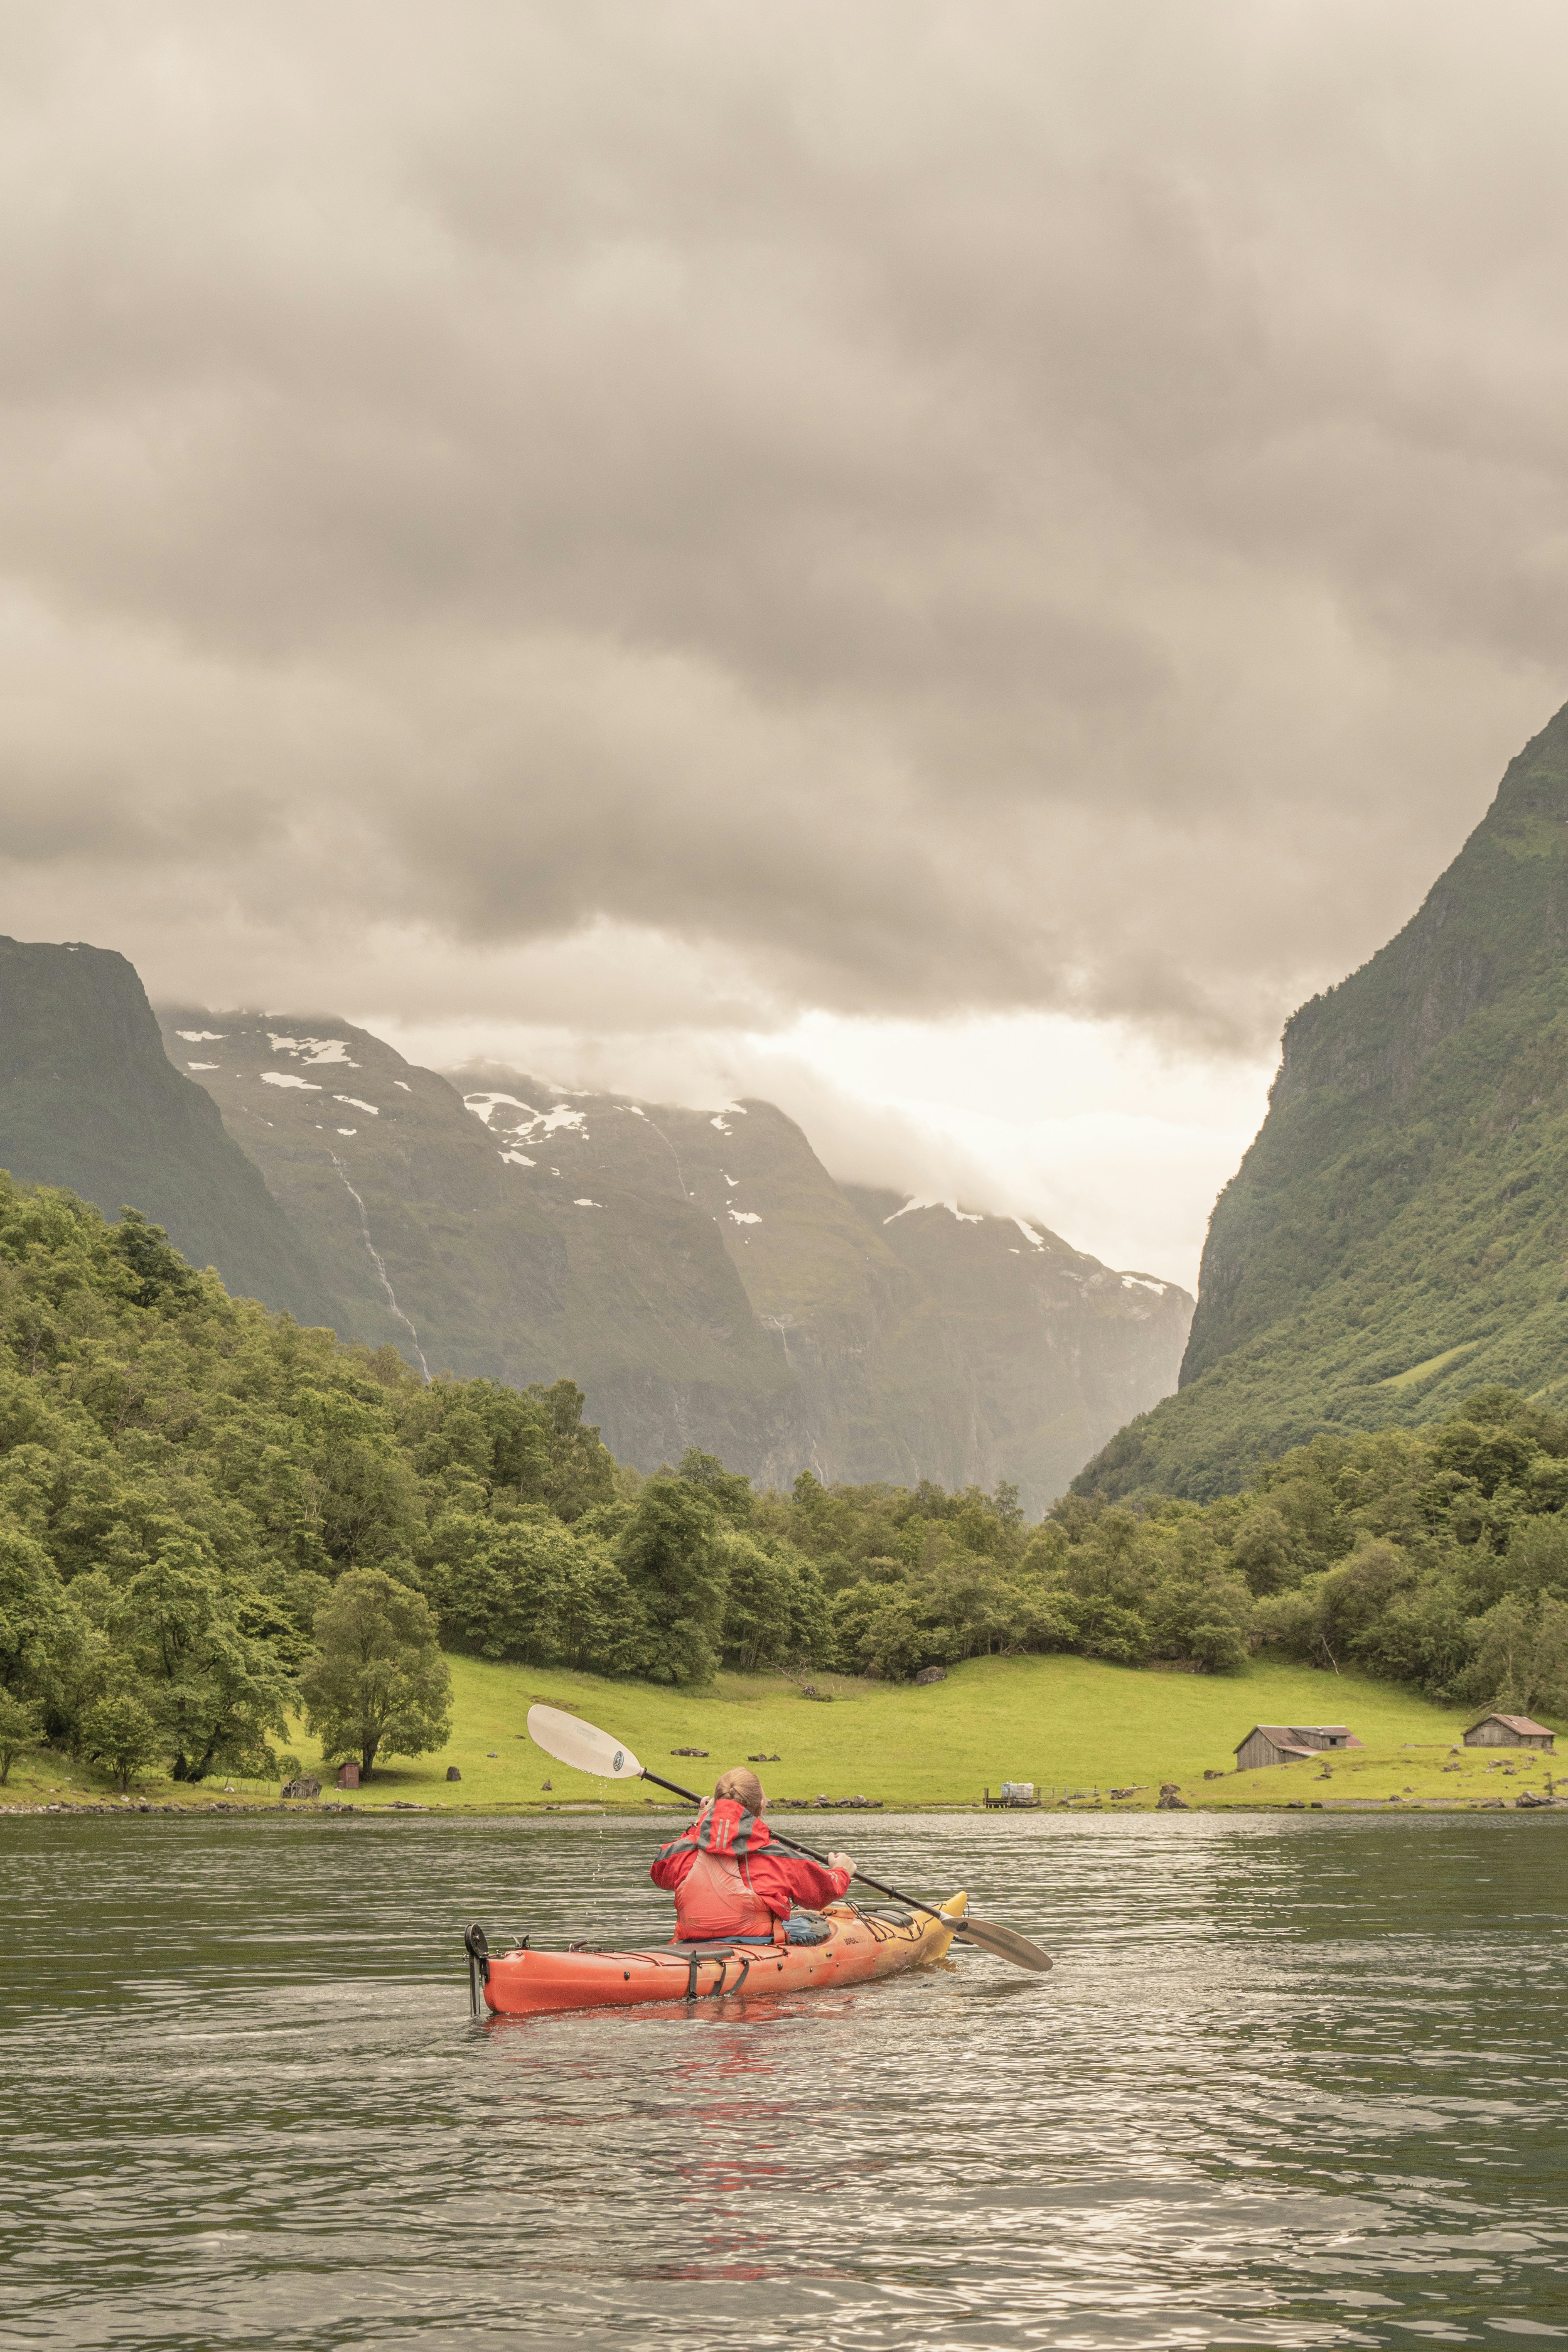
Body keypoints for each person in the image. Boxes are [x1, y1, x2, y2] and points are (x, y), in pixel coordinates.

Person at [651, 1766, 855, 1944]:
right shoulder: (778, 1856)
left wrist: (699, 1826)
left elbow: (659, 1872)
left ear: (716, 1805)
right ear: (761, 1807)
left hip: (693, 1944)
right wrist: (842, 1871)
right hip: (757, 1945)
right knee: (815, 1925)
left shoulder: (687, 1850)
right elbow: (822, 1894)